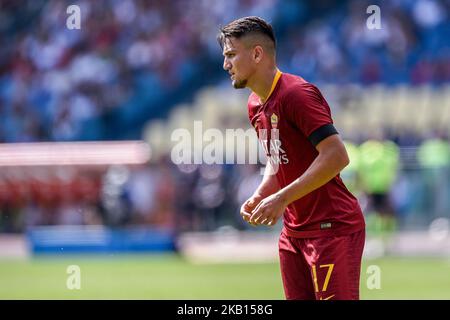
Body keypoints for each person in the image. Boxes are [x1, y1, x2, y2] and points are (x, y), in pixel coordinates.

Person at [217, 16, 366, 300]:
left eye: (231, 55)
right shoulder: (254, 105)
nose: (226, 65)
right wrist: (262, 193)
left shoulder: (296, 94)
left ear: (257, 54)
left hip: (331, 228)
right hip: (293, 234)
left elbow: (336, 155)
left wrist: (282, 199)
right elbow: (277, 160)